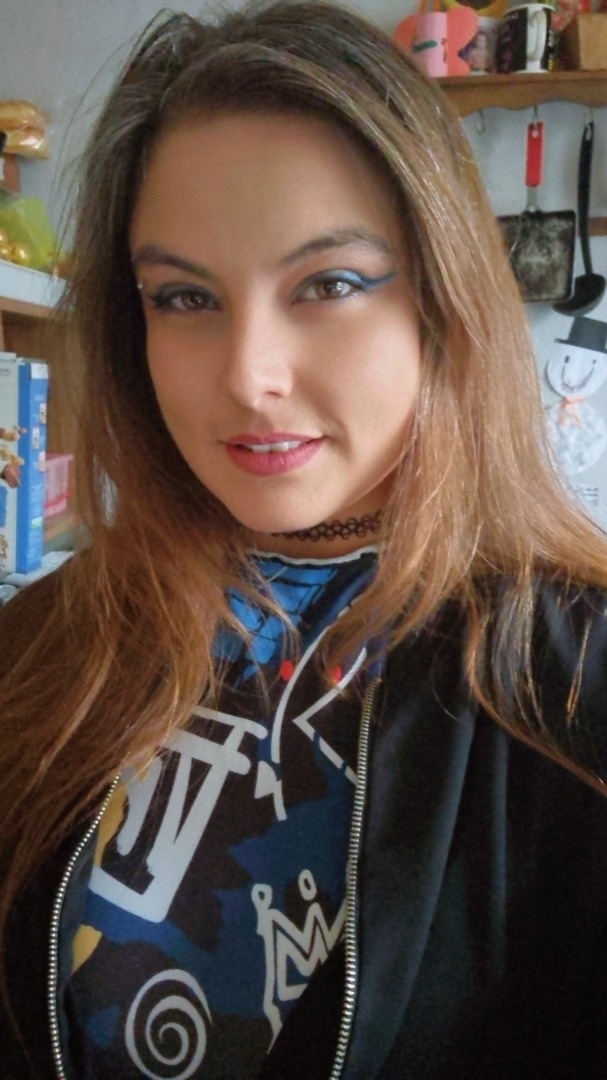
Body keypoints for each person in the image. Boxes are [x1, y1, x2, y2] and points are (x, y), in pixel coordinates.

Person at [2, 2, 607, 1077]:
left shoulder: (572, 684)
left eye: (327, 284)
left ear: (441, 299)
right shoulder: (46, 638)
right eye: (184, 297)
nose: (248, 376)